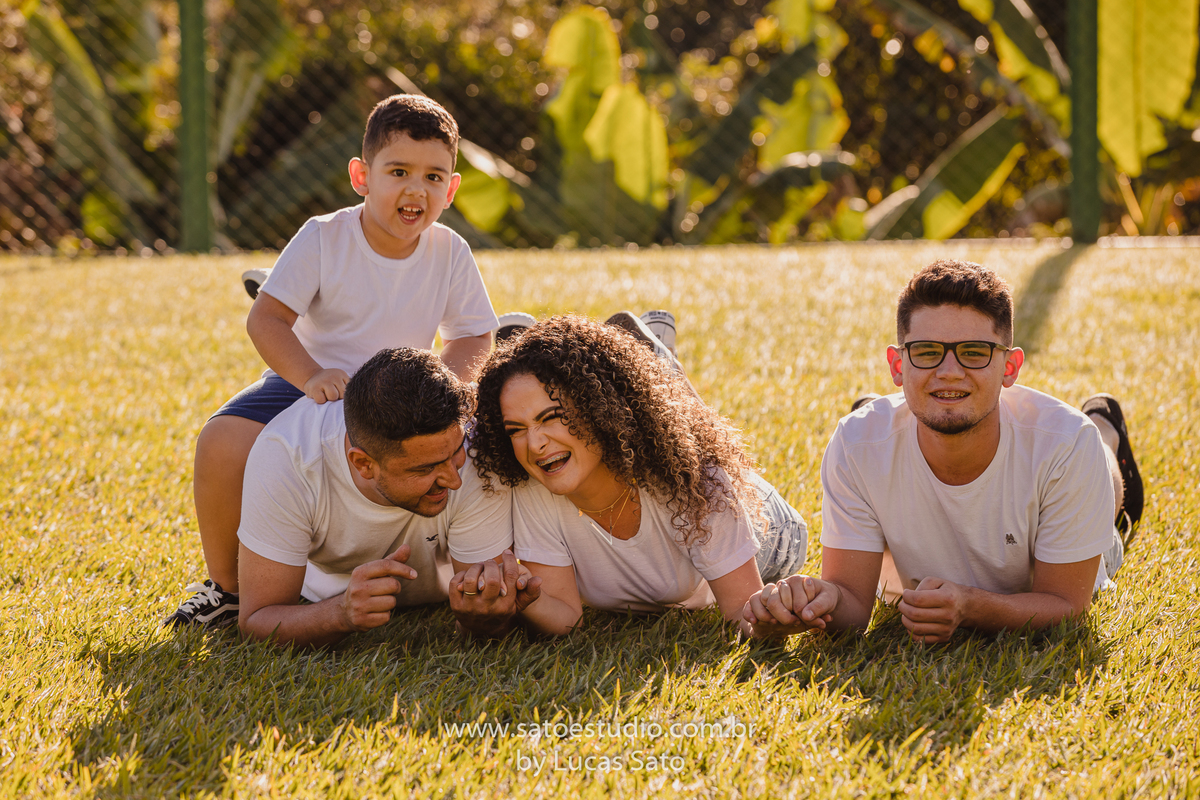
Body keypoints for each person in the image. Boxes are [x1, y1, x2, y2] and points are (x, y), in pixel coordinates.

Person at [166, 95, 499, 627]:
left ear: (452, 188)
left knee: (498, 425)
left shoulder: (449, 250)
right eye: (399, 172)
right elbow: (266, 320)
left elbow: (470, 335)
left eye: (434, 177)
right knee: (222, 441)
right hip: (317, 380)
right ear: (361, 176)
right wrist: (310, 376)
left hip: (400, 388)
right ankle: (227, 588)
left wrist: (450, 392)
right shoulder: (324, 236)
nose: (417, 190)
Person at [743, 259, 1143, 644]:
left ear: (1009, 367)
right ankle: (883, 409)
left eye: (973, 352)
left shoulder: (1068, 443)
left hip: (1072, 492)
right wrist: (815, 603)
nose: (949, 371)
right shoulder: (855, 444)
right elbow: (851, 606)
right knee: (875, 438)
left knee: (1098, 464)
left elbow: (1067, 607)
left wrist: (969, 607)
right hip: (886, 440)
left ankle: (1106, 426)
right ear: (898, 365)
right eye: (927, 352)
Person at [457, 314, 809, 637]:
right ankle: (645, 354)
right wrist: (523, 593)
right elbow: (567, 617)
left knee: (690, 432)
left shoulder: (695, 484)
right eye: (516, 429)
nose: (534, 445)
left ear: (598, 408)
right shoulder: (534, 486)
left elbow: (741, 615)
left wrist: (773, 618)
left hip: (771, 531)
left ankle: (659, 357)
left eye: (551, 417)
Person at [234, 348, 512, 647]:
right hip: (321, 594)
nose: (454, 480)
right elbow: (256, 621)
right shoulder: (288, 457)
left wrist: (480, 617)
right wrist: (340, 613)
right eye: (426, 468)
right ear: (363, 463)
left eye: (454, 453)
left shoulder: (475, 449)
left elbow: (483, 616)